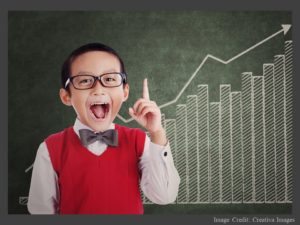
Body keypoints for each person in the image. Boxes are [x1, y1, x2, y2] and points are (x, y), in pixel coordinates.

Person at [27, 43, 180, 214]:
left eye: (109, 79)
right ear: (66, 96)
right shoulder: (49, 149)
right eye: (85, 81)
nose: (98, 89)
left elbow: (164, 195)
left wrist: (157, 132)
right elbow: (41, 212)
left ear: (125, 92)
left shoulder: (138, 140)